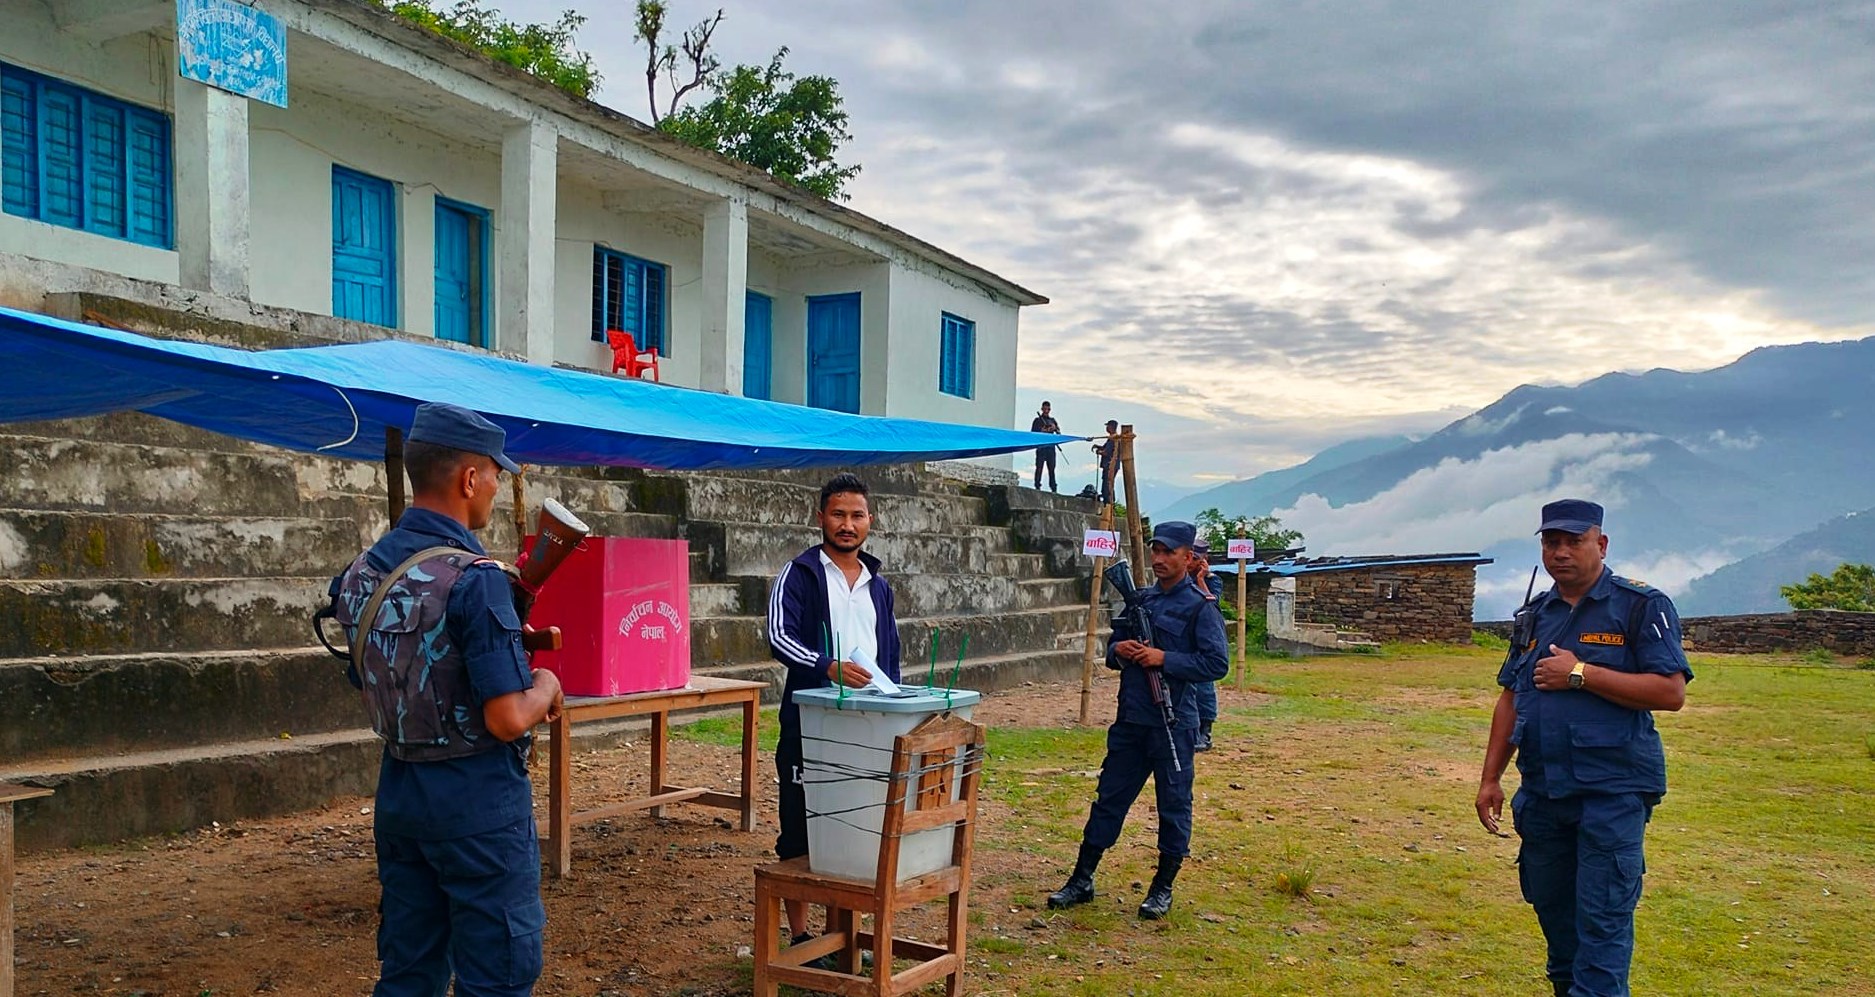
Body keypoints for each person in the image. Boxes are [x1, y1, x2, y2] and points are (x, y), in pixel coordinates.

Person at [329, 402, 564, 997]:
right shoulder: (474, 577)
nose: (493, 487)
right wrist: (546, 687)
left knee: (409, 972)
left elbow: (380, 676)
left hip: (401, 791)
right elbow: (507, 716)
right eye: (493, 474)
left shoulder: (360, 572)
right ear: (468, 478)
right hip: (476, 800)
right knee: (498, 976)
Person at [1475, 499, 1692, 997]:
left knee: (1602, 922)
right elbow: (1511, 696)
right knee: (1556, 919)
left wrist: (1580, 673)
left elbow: (1670, 692)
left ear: (1602, 543)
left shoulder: (1640, 606)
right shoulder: (1535, 615)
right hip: (1544, 792)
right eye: (1552, 542)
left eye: (1574, 541)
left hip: (1611, 793)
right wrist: (1491, 778)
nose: (1561, 552)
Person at [1047, 521, 1230, 919]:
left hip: (1173, 723)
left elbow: (1217, 663)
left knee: (1174, 805)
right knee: (1109, 799)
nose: (1160, 559)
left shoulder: (1201, 606)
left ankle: (1162, 887)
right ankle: (1082, 878)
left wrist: (1166, 659)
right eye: (1156, 551)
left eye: (1169, 552)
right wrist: (1122, 650)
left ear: (1188, 557)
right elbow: (1112, 650)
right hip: (1131, 720)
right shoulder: (1139, 600)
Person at [765, 473, 904, 953]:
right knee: (801, 825)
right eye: (839, 514)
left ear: (871, 520)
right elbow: (779, 638)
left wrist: (895, 707)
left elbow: (891, 658)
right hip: (810, 726)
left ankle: (840, 934)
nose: (848, 525)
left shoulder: (878, 585)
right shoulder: (800, 574)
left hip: (866, 730)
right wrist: (827, 667)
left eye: (857, 515)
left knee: (853, 827)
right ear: (820, 517)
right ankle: (800, 936)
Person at [1187, 540, 1223, 752]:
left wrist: (1201, 579)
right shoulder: (1178, 580)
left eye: (1196, 559)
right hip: (1184, 634)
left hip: (1205, 635)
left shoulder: (1213, 581)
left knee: (1204, 684)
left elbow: (1211, 602)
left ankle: (1205, 731)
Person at [1030, 401, 1061, 492]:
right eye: (1044, 409)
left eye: (1048, 409)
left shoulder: (1053, 421)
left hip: (1051, 448)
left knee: (1051, 468)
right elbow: (1033, 433)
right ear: (1042, 409)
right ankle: (1037, 485)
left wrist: (1054, 428)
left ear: (1050, 409)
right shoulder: (1037, 421)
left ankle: (1053, 487)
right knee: (1039, 467)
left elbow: (1059, 433)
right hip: (1041, 447)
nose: (1046, 410)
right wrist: (1042, 430)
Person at [1092, 420, 1120, 503]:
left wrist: (1099, 452)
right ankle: (1109, 503)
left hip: (1110, 466)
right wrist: (1098, 447)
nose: (1106, 428)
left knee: (1107, 486)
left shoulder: (1114, 439)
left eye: (1107, 426)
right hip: (1109, 465)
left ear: (1111, 427)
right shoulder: (1111, 438)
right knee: (1108, 484)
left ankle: (1108, 504)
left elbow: (1106, 452)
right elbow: (1104, 448)